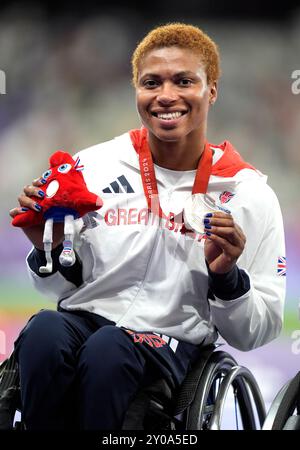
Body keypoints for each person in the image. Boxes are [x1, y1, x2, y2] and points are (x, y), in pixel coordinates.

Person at [9, 22, 286, 430]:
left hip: (170, 344)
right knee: (43, 331)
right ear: (137, 90)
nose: (166, 96)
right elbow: (55, 290)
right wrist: (48, 248)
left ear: (211, 91)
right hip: (84, 321)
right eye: (151, 82)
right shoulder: (93, 166)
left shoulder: (249, 195)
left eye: (184, 81)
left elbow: (256, 332)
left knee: (109, 350)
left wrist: (227, 279)